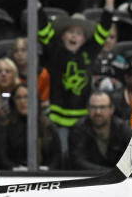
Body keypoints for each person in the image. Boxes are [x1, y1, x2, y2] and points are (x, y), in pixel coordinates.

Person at [38, 10, 112, 158]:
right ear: (62, 36)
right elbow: (44, 31)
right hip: (58, 118)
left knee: (81, 155)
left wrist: (109, 8)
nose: (73, 36)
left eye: (79, 33)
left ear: (84, 39)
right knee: (63, 154)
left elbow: (103, 32)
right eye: (70, 32)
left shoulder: (89, 53)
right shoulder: (55, 52)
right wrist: (38, 8)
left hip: (82, 118)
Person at [0, 83, 62, 170]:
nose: (23, 101)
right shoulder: (3, 125)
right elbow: (0, 156)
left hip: (44, 175)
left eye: (27, 97)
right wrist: (14, 169)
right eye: (18, 98)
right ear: (13, 101)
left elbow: (57, 155)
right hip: (12, 176)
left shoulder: (47, 125)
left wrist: (48, 169)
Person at [66, 90, 132, 170]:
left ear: (112, 109)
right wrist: (110, 174)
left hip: (121, 180)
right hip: (88, 178)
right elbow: (78, 162)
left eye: (102, 107)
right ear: (88, 109)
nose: (98, 112)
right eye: (93, 107)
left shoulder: (123, 129)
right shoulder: (77, 129)